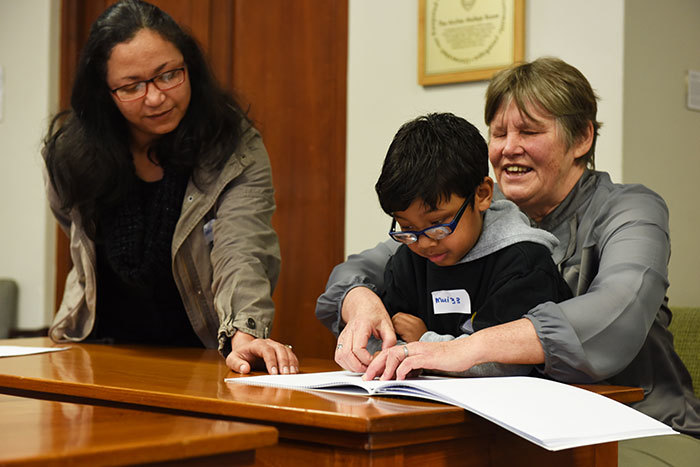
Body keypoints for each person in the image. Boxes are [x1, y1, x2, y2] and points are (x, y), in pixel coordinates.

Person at [316, 57, 700, 446]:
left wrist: (463, 349)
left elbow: (618, 311)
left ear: (582, 138)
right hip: (523, 426)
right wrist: (361, 302)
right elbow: (364, 269)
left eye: (529, 131)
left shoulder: (632, 209)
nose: (508, 149)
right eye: (498, 134)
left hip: (642, 425)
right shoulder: (480, 209)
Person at [43, 0, 297, 375]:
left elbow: (242, 248)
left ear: (188, 65)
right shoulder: (71, 153)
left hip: (197, 356)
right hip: (95, 353)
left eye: (168, 75)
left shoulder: (230, 144)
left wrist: (245, 332)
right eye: (131, 86)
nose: (156, 97)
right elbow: (74, 230)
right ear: (105, 92)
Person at [371, 112, 571, 377]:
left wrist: (423, 345)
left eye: (439, 224)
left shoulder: (523, 261)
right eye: (407, 228)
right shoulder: (408, 261)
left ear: (483, 195)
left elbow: (504, 362)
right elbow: (385, 342)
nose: (425, 243)